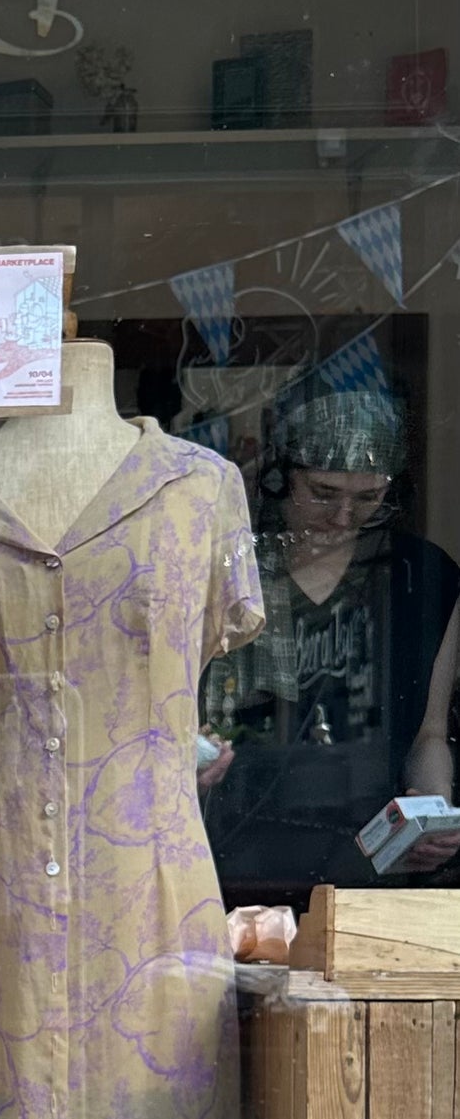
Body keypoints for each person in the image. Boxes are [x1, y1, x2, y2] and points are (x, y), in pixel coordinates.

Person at [201, 372, 460, 902]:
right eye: (323, 493)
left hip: (369, 865)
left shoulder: (420, 576)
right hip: (230, 855)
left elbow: (428, 733)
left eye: (368, 498)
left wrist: (434, 815)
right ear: (281, 476)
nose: (344, 517)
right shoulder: (231, 565)